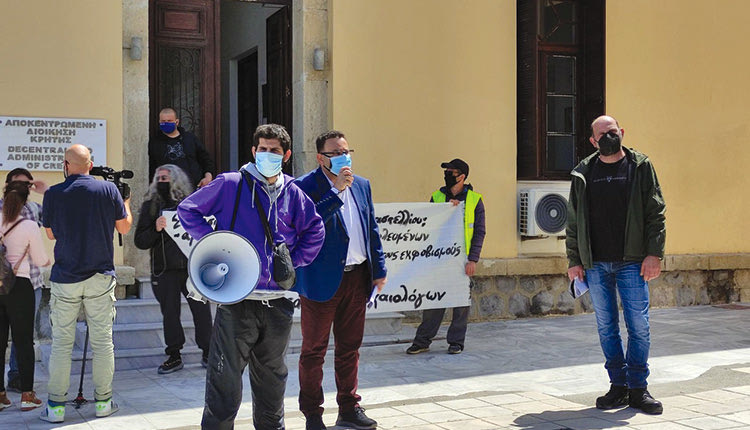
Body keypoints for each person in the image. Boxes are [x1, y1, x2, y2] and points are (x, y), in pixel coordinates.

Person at [178, 124, 325, 429]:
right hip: (237, 300)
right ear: (253, 152)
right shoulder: (231, 183)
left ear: (285, 155)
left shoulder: (294, 192)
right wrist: (216, 244)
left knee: (272, 381)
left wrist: (293, 263)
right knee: (224, 379)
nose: (267, 155)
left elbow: (315, 229)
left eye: (274, 150)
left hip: (278, 302)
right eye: (262, 149)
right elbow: (188, 209)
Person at [566, 115, 666, 415]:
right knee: (606, 328)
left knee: (639, 326)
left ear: (621, 132)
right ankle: (618, 387)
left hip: (632, 262)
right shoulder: (584, 172)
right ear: (592, 141)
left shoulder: (640, 166)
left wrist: (654, 254)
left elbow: (656, 212)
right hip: (595, 264)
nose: (608, 137)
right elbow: (573, 221)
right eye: (601, 134)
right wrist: (574, 260)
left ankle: (638, 389)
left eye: (612, 132)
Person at [294, 130, 388, 430]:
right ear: (321, 158)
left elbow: (370, 227)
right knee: (314, 351)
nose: (344, 157)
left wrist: (379, 270)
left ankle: (349, 407)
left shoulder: (361, 185)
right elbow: (305, 226)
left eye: (347, 151)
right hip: (320, 281)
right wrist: (334, 191)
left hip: (357, 277)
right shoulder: (304, 187)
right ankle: (312, 414)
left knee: (350, 348)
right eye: (336, 153)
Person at [40, 144, 132, 423]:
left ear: (65, 165)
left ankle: (56, 407)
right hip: (100, 277)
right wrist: (126, 202)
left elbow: (51, 233)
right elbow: (124, 227)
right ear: (90, 165)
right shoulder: (107, 190)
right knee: (103, 343)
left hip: (65, 276)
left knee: (62, 344)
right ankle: (103, 402)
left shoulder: (53, 193)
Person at [135, 164, 212, 374]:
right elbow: (140, 241)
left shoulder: (191, 204)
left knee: (202, 311)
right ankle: (174, 355)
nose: (162, 182)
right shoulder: (150, 206)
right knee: (170, 314)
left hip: (191, 268)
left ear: (177, 180)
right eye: (158, 179)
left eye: (166, 178)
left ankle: (208, 351)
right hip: (164, 270)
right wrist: (156, 228)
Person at [406, 158, 486, 355]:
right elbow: (429, 225)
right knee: (434, 302)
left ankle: (456, 342)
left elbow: (479, 231)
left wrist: (473, 259)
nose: (448, 174)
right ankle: (423, 341)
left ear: (463, 176)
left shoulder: (475, 199)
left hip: (462, 259)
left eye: (452, 171)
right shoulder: (437, 197)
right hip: (439, 259)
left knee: (460, 303)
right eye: (447, 171)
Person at [0, 181, 51, 412]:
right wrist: (47, 261)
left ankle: (1, 396)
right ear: (25, 200)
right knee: (23, 342)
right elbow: (41, 260)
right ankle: (27, 395)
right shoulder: (29, 225)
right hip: (19, 285)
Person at [148, 107, 215, 188]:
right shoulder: (155, 143)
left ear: (177, 122)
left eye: (169, 121)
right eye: (163, 121)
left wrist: (208, 176)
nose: (166, 123)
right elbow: (152, 167)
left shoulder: (190, 138)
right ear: (159, 122)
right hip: (169, 192)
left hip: (194, 189)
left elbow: (205, 159)